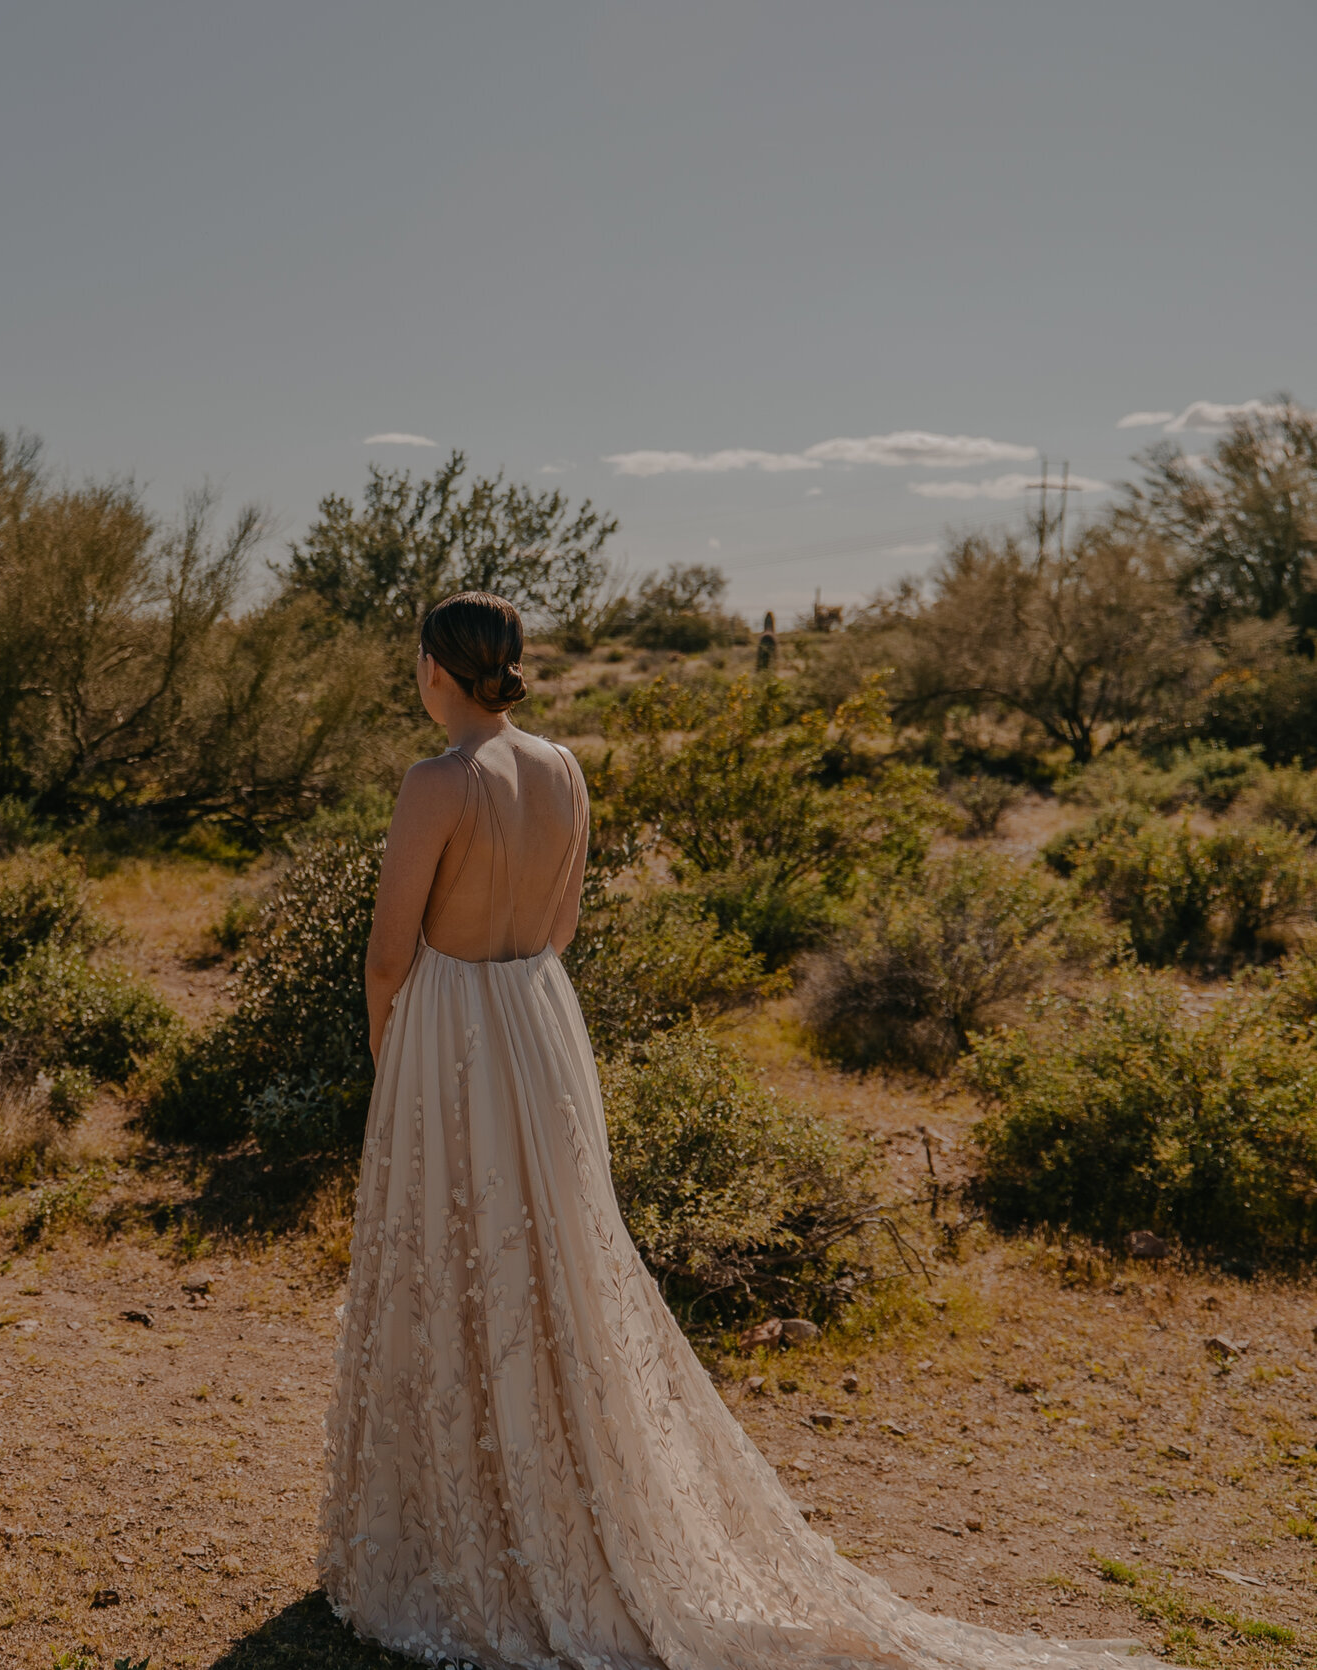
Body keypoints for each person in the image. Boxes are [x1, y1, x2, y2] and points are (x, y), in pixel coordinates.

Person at [319, 593, 1138, 1668]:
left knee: (457, 1255)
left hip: (453, 1025)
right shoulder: (563, 768)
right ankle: (556, 1505)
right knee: (556, 1256)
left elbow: (388, 953)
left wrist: (395, 1053)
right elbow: (560, 923)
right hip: (538, 1010)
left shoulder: (438, 781)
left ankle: (468, 1528)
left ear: (432, 667)